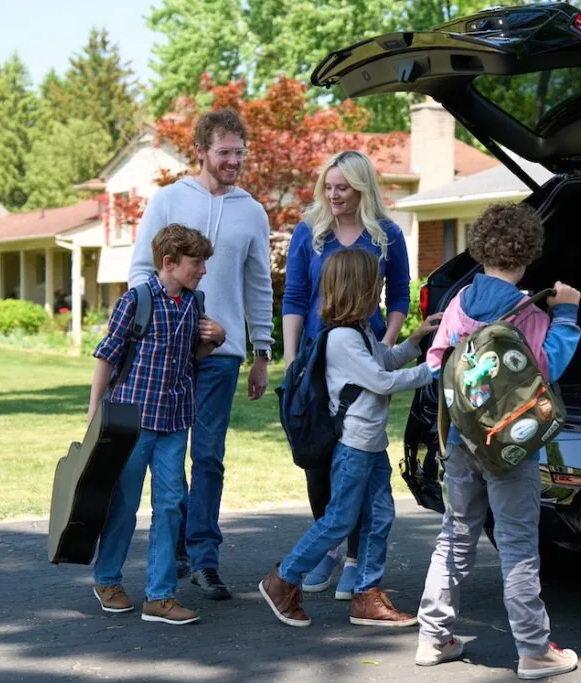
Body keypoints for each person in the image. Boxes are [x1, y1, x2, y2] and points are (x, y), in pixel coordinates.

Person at [415, 203, 581, 680]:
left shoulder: (461, 299)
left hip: (461, 438)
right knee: (516, 543)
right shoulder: (527, 310)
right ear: (530, 254)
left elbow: (435, 363)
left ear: (479, 247)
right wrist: (567, 314)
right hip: (510, 444)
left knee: (455, 533)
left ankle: (433, 636)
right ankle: (533, 649)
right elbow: (548, 367)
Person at [128, 108, 275, 600]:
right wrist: (176, 322)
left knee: (208, 456)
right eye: (225, 152)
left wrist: (261, 350)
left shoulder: (252, 211)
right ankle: (176, 549)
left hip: (222, 355)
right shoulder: (169, 200)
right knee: (165, 455)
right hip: (168, 357)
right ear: (201, 151)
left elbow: (259, 286)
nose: (234, 161)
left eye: (240, 152)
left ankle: (205, 559)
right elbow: (139, 273)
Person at [260, 248, 440, 628]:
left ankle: (366, 596)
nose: (380, 289)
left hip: (372, 444)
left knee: (380, 516)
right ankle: (283, 579)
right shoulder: (342, 337)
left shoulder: (359, 330)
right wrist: (433, 369)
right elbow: (382, 381)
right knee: (340, 518)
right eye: (376, 283)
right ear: (358, 288)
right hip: (355, 445)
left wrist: (418, 338)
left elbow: (385, 362)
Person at [282, 150, 411, 598]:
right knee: (319, 460)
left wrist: (386, 347)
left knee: (359, 458)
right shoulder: (309, 231)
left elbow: (399, 296)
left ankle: (355, 559)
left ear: (362, 189)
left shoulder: (387, 235)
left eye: (343, 188)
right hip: (318, 361)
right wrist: (292, 357)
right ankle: (328, 546)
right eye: (329, 187)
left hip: (362, 357)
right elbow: (295, 297)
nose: (334, 195)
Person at [88, 224, 224, 625]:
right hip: (133, 420)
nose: (202, 270)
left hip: (175, 420)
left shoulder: (194, 303)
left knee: (170, 506)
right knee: (124, 504)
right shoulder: (136, 300)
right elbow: (107, 357)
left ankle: (160, 596)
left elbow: (193, 357)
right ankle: (107, 579)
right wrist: (94, 411)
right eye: (195, 263)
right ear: (169, 262)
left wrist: (216, 337)